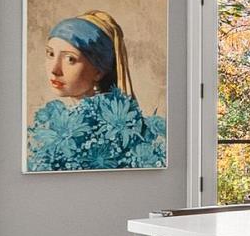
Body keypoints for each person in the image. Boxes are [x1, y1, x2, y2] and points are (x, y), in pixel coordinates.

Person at [27, 10, 166, 171]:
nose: (54, 69)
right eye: (50, 54)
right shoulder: (75, 116)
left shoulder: (98, 126)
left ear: (99, 71)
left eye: (70, 59)